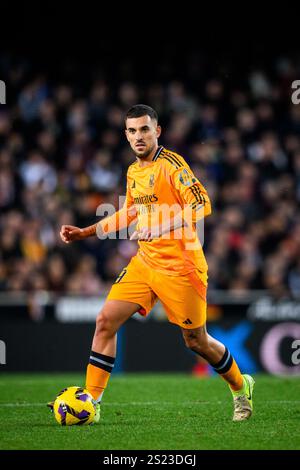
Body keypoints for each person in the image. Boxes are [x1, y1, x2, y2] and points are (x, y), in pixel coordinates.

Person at [55, 104, 254, 423]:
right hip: (145, 263)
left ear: (157, 131)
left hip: (181, 267)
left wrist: (162, 227)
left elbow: (202, 204)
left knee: (196, 341)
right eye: (132, 131)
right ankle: (91, 401)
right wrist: (87, 231)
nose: (138, 136)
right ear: (126, 135)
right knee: (105, 321)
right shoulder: (134, 171)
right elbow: (130, 211)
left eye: (144, 129)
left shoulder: (172, 164)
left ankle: (240, 388)